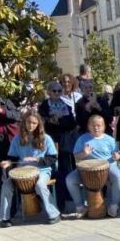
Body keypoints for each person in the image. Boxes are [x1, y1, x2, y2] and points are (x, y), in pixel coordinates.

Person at [0, 111, 61, 227]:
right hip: (21, 171)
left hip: (42, 170)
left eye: (34, 123)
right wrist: (7, 163)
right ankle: (4, 218)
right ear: (24, 123)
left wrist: (37, 160)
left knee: (40, 185)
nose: (31, 125)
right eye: (29, 122)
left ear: (38, 124)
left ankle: (54, 214)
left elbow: (52, 158)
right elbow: (12, 158)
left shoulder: (46, 138)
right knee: (6, 185)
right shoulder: (17, 139)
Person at [66, 115, 120, 218]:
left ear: (104, 126)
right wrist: (84, 153)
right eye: (93, 125)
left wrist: (117, 156)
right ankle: (80, 207)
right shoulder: (82, 139)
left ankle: (114, 206)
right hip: (86, 168)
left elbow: (117, 154)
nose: (96, 127)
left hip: (107, 166)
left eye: (99, 125)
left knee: (119, 178)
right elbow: (76, 156)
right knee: (70, 180)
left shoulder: (109, 139)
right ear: (88, 126)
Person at [39, 80, 77, 211]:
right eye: (54, 91)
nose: (57, 93)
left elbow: (72, 122)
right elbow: (41, 122)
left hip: (64, 141)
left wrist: (59, 120)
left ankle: (67, 194)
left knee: (65, 168)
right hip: (49, 141)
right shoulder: (43, 106)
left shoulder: (65, 104)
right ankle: (51, 197)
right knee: (52, 168)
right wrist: (50, 119)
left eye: (59, 91)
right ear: (49, 92)